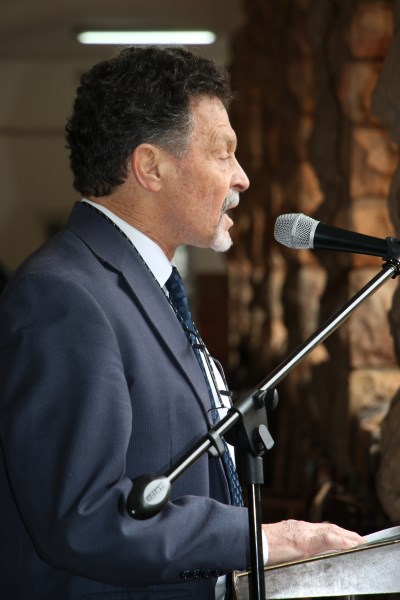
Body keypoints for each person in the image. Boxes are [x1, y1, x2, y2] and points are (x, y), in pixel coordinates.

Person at [0, 46, 364, 600]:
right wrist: (264, 540)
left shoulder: (142, 283)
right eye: (223, 154)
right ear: (151, 167)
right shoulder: (62, 297)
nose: (242, 178)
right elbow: (84, 515)